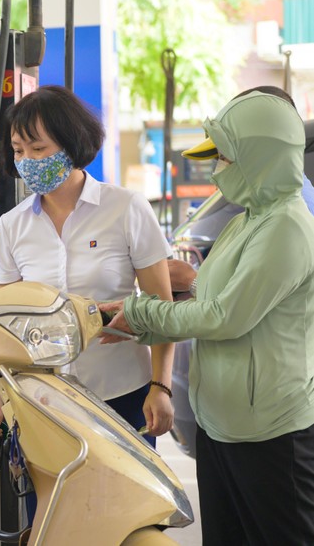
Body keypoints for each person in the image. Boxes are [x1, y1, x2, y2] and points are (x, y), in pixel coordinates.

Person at [100, 91, 314, 544]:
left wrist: (140, 312)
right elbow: (218, 295)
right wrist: (166, 305)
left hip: (268, 429)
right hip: (222, 423)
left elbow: (224, 317)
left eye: (226, 156)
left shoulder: (287, 226)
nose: (218, 167)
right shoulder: (247, 218)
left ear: (260, 156)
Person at [0, 86, 175, 445]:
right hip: (42, 400)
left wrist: (161, 386)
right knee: (52, 502)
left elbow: (162, 309)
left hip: (123, 394)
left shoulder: (126, 208)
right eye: (18, 150)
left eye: (38, 148)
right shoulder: (12, 226)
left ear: (71, 144)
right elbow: (5, 328)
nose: (27, 159)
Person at [170, 84, 314, 292]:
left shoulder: (292, 216)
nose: (219, 171)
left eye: (226, 157)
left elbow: (235, 312)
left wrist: (194, 283)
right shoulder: (258, 209)